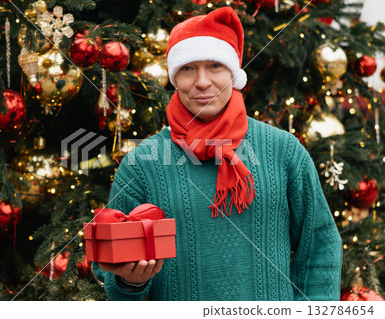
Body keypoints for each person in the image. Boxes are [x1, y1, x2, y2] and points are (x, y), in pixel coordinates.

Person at [92, 6, 342, 301]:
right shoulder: (142, 163)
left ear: (233, 75)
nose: (201, 81)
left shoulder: (283, 150)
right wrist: (130, 282)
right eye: (187, 68)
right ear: (174, 78)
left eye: (215, 66)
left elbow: (321, 244)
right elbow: (108, 268)